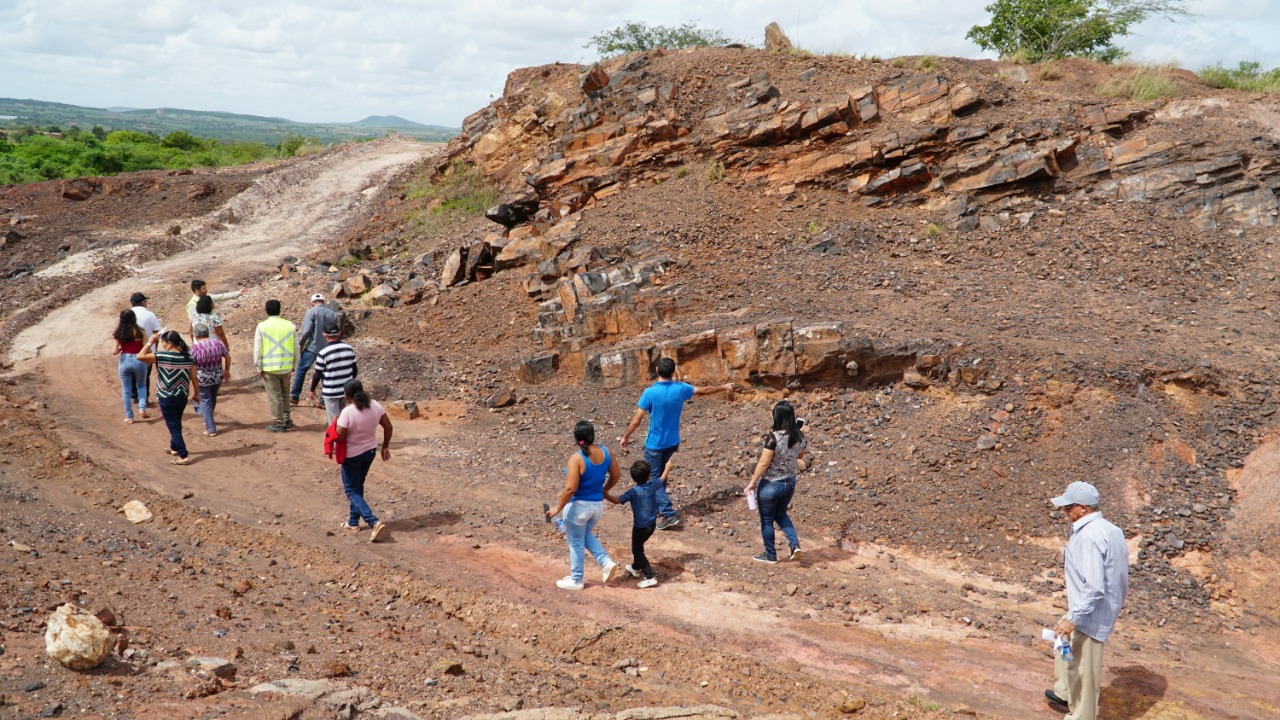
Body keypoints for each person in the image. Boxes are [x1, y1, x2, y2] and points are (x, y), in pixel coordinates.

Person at [1045, 481, 1130, 720]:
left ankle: (1081, 715)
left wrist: (1074, 617)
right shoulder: (1110, 529)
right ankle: (1063, 691)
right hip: (1094, 605)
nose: (1064, 512)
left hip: (1092, 610)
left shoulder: (1089, 537)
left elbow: (1094, 587)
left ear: (1083, 508)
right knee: (1063, 644)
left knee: (1084, 667)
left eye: (1068, 507)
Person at [620, 357, 734, 529]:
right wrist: (724, 386)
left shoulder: (649, 393)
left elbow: (636, 420)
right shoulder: (681, 389)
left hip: (654, 444)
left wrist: (626, 436)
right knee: (660, 477)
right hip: (672, 442)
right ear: (673, 373)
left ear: (657, 370)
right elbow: (704, 390)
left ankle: (668, 514)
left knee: (653, 480)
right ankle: (660, 507)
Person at [546, 420, 623, 590]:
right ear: (592, 435)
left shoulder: (577, 458)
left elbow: (570, 488)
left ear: (576, 438)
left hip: (578, 508)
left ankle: (576, 579)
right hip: (597, 507)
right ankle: (606, 562)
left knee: (575, 543)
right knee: (584, 535)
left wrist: (557, 508)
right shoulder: (606, 452)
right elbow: (616, 475)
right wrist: (605, 491)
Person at [743, 400, 807, 564]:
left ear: (777, 417)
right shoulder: (800, 437)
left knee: (766, 520)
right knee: (781, 513)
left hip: (771, 484)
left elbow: (764, 463)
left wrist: (752, 482)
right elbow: (799, 457)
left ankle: (770, 554)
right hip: (790, 482)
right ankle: (795, 544)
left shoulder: (773, 438)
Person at [335, 379, 392, 542]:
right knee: (358, 486)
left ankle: (373, 521)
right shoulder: (375, 405)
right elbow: (388, 427)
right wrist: (385, 446)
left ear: (347, 396)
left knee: (351, 490)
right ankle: (352, 522)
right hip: (370, 452)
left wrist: (334, 424)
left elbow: (338, 437)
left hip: (352, 455)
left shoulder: (348, 412)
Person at [138, 330, 197, 465]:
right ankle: (174, 447)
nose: (162, 345)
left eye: (163, 343)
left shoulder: (162, 355)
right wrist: (197, 394)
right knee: (176, 422)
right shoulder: (189, 357)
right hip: (182, 396)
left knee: (173, 426)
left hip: (167, 396)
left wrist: (150, 342)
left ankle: (183, 455)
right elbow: (194, 377)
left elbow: (140, 356)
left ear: (170, 344)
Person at [605, 460, 661, 588]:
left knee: (637, 550)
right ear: (649, 476)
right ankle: (635, 567)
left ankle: (650, 577)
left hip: (640, 528)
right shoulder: (653, 485)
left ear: (633, 477)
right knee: (638, 546)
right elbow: (662, 479)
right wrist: (668, 468)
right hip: (652, 525)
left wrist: (606, 495)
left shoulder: (633, 492)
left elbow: (618, 500)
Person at [253, 299, 297, 432]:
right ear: (280, 309)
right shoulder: (290, 325)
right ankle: (286, 419)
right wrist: (294, 363)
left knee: (275, 396)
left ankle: (279, 423)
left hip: (270, 368)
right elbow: (296, 346)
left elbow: (257, 349)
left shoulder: (262, 326)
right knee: (285, 393)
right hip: (286, 366)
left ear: (266, 310)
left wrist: (258, 366)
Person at [292, 293, 339, 405]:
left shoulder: (311, 312)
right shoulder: (333, 314)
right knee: (325, 373)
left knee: (301, 370)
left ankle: (294, 396)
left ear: (312, 302)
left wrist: (300, 346)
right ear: (323, 301)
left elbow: (306, 331)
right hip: (327, 347)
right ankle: (324, 401)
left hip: (312, 347)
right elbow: (337, 331)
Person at [309, 321, 357, 424]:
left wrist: (312, 389)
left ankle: (336, 440)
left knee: (334, 422)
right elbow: (354, 369)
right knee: (343, 419)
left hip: (330, 392)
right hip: (345, 390)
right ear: (339, 333)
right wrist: (350, 384)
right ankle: (343, 439)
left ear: (324, 335)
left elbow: (317, 374)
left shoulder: (323, 353)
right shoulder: (349, 349)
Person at [191, 323, 231, 436]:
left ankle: (210, 428)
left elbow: (191, 365)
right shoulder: (218, 343)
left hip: (203, 379)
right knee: (212, 399)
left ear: (195, 335)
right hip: (218, 376)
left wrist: (191, 379)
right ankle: (208, 419)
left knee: (205, 401)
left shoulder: (194, 348)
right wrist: (227, 370)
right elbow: (227, 356)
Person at [112, 309, 149, 423]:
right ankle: (142, 408)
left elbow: (114, 351)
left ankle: (129, 417)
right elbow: (145, 347)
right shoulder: (140, 331)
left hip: (125, 360)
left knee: (126, 390)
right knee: (141, 386)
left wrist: (122, 348)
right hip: (139, 359)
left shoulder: (119, 333)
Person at [129, 292, 163, 408]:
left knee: (132, 374)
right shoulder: (150, 315)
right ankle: (144, 399)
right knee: (145, 376)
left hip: (130, 350)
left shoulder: (127, 314)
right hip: (147, 349)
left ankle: (134, 395)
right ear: (143, 302)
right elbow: (156, 333)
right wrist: (155, 348)